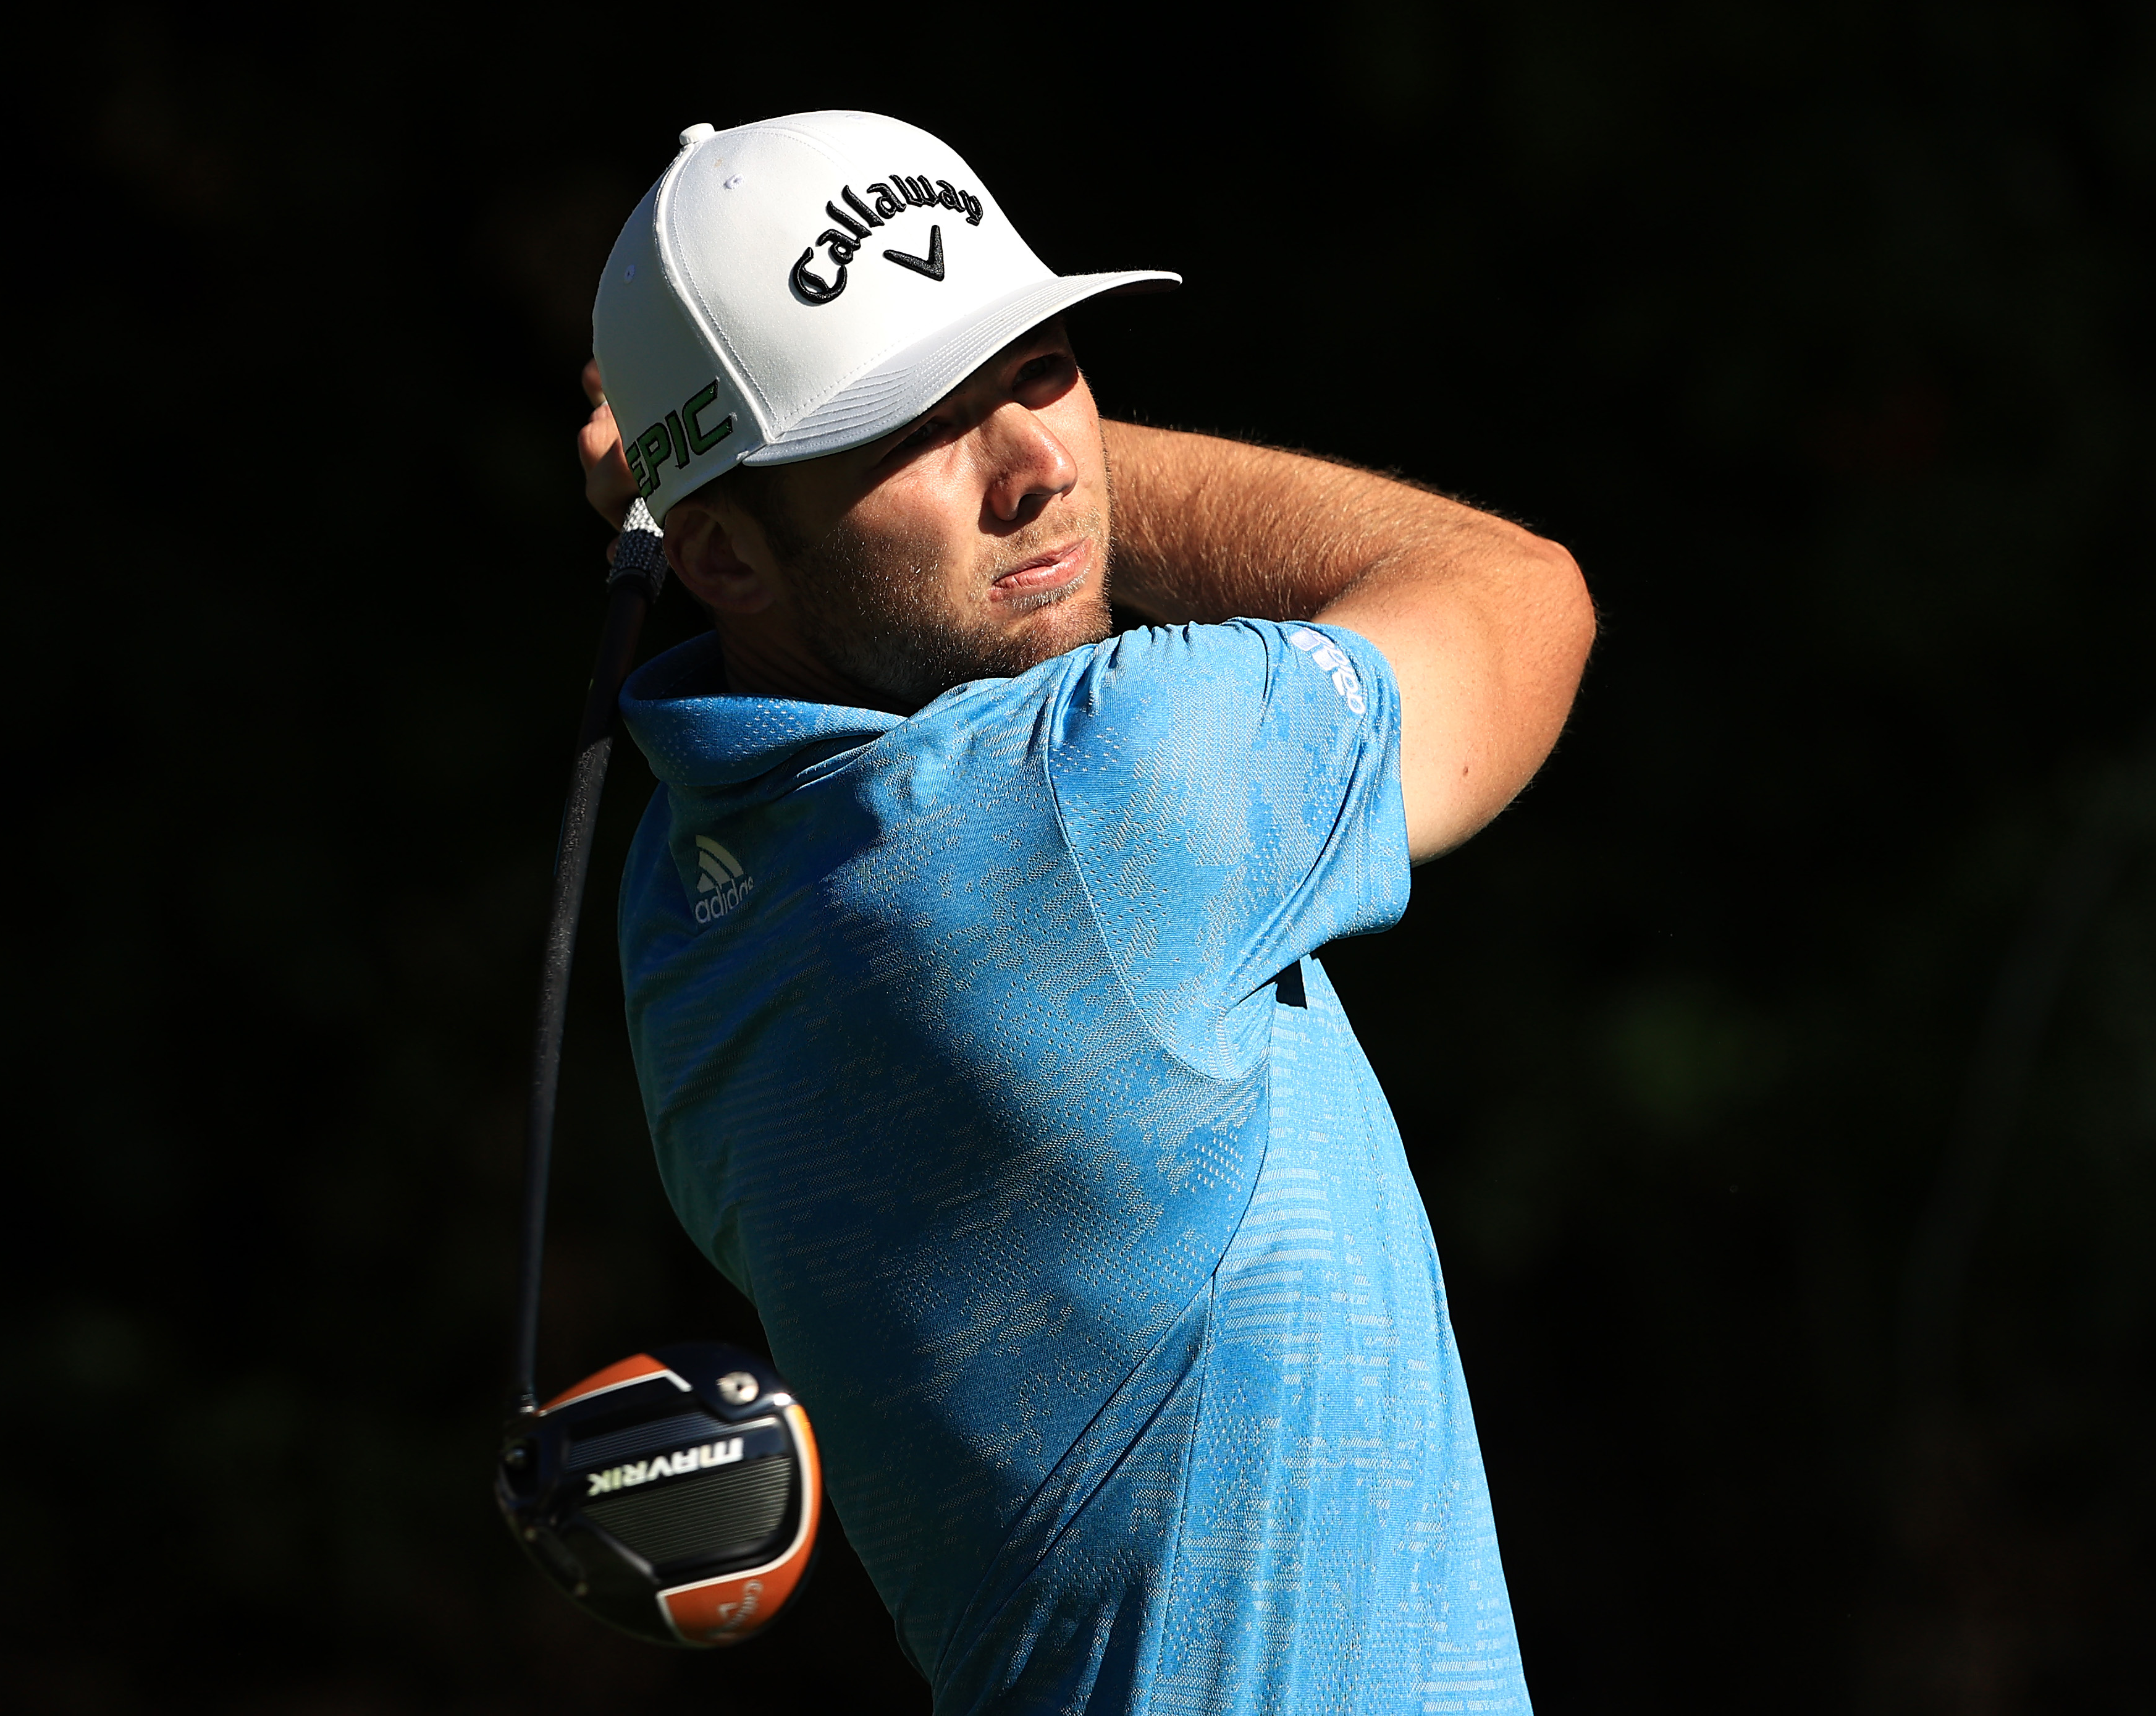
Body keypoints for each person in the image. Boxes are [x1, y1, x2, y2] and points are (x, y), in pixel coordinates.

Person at [574, 111, 1593, 1715]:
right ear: (718, 558)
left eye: (1039, 365)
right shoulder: (1080, 811)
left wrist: (738, 492)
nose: (1040, 464)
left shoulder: (685, 906)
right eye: (918, 425)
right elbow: (1511, 588)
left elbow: (816, 585)